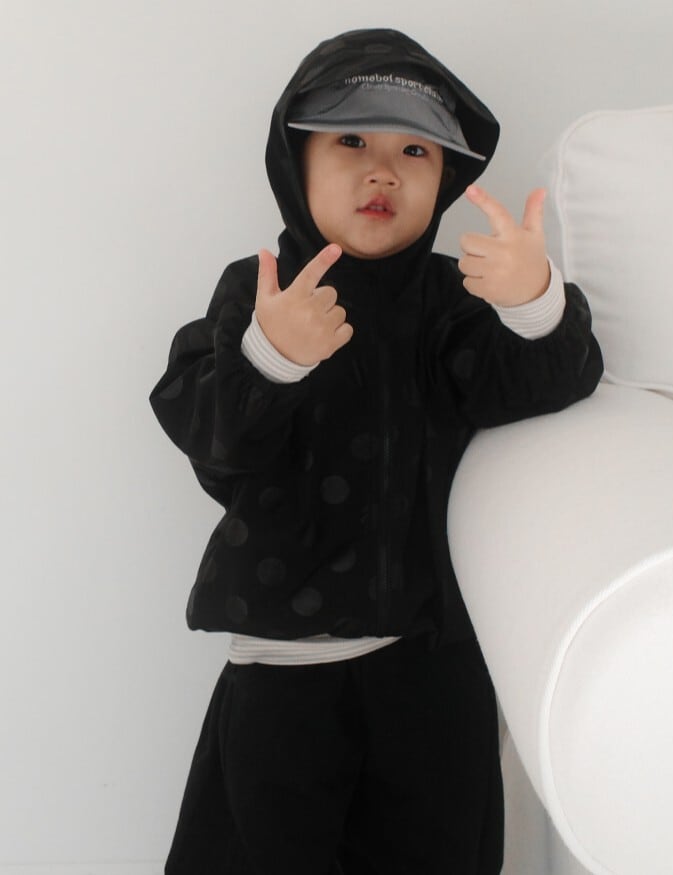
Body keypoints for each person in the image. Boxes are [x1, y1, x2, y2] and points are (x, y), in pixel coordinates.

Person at [150, 27, 603, 875]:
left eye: (415, 151)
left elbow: (544, 381)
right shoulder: (257, 293)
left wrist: (534, 301)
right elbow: (209, 437)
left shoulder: (453, 301)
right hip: (283, 666)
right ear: (295, 161)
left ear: (447, 178)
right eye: (351, 141)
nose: (383, 170)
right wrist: (270, 357)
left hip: (431, 662)